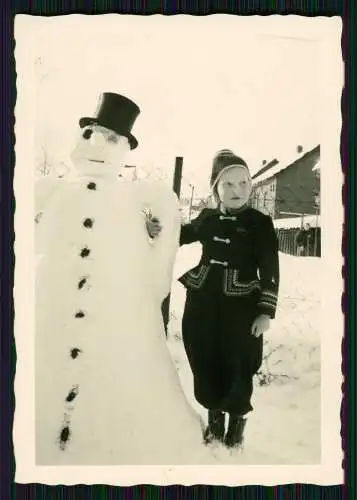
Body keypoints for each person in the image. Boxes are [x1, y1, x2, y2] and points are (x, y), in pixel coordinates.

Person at [34, 92, 213, 465]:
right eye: (93, 133)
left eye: (113, 139)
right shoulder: (53, 190)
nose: (99, 143)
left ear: (126, 149)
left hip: (118, 311)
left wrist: (154, 282)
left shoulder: (137, 197)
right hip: (52, 305)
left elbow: (167, 226)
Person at [177, 149, 280, 450]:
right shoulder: (208, 218)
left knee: (238, 362)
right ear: (215, 188)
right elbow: (182, 234)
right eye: (229, 184)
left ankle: (235, 427)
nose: (237, 191)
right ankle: (214, 421)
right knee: (204, 356)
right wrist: (160, 226)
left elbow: (270, 270)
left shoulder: (260, 223)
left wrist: (265, 312)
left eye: (244, 183)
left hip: (242, 308)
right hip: (203, 303)